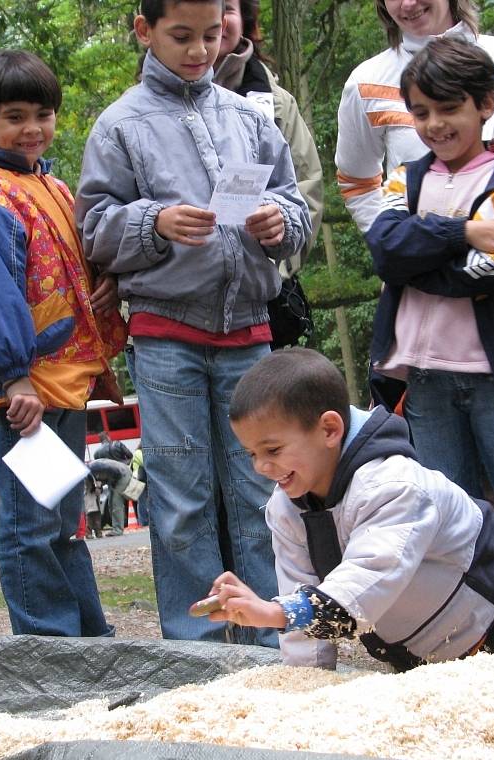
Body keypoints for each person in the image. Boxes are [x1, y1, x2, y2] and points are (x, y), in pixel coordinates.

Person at [75, 0, 311, 645]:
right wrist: (155, 223)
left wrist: (279, 223)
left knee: (260, 490)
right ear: (144, 30)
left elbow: (297, 205)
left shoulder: (249, 116)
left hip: (251, 335)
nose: (200, 50)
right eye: (182, 36)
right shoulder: (119, 125)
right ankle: (197, 647)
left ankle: (271, 636)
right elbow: (92, 226)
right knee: (181, 497)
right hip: (166, 334)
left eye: (211, 35)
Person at [200, 348, 494, 676]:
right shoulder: (286, 507)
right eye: (251, 454)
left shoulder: (393, 485)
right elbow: (299, 593)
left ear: (329, 430)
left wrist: (277, 613)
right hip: (418, 641)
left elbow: (365, 582)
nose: (261, 466)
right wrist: (306, 690)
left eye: (272, 449)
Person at [364, 37, 494, 600]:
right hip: (425, 378)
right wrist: (461, 232)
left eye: (450, 109)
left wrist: (415, 265)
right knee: (452, 518)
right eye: (421, 112)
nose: (435, 124)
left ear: (486, 105)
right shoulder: (406, 177)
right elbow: (383, 246)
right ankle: (479, 641)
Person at [0, 49, 127, 636]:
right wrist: (14, 380)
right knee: (28, 525)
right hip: (28, 390)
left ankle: (86, 636)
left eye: (43, 114)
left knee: (64, 521)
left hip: (67, 379)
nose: (31, 129)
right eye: (14, 116)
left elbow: (64, 268)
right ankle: (44, 643)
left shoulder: (53, 186)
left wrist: (101, 284)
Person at [336, 0, 494, 235]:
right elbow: (357, 180)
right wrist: (393, 244)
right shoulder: (367, 82)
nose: (408, 4)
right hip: (427, 262)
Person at [213, 0, 323, 277]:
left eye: (227, 9)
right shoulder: (137, 112)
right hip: (172, 302)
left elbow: (305, 188)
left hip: (263, 294)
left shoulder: (276, 104)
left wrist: (279, 270)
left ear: (244, 19)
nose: (215, 19)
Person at [93, 432, 133, 536]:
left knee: (116, 502)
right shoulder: (118, 444)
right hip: (122, 472)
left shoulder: (97, 454)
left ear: (100, 440)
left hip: (120, 475)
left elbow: (109, 473)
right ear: (108, 437)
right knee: (111, 503)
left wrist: (99, 486)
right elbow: (130, 456)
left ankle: (118, 530)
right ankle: (117, 527)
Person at [130, 442, 149, 527]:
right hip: (139, 479)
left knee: (143, 501)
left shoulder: (139, 452)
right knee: (142, 501)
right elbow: (144, 462)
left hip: (143, 478)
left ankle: (144, 520)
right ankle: (143, 521)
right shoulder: (138, 452)